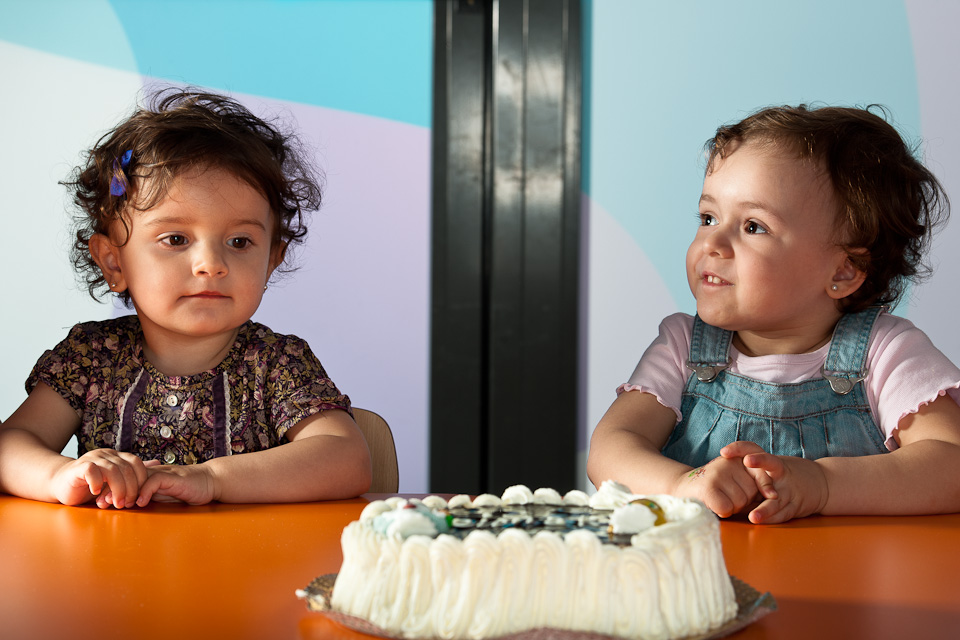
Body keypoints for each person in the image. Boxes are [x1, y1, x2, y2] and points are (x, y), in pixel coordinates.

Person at [587, 104, 960, 524]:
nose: (713, 243)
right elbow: (610, 449)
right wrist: (683, 485)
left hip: (846, 580)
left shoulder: (885, 353)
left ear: (844, 270)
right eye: (709, 217)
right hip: (708, 580)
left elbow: (950, 464)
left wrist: (824, 484)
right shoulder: (682, 347)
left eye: (753, 227)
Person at [0, 88, 372, 508]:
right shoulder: (91, 357)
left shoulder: (276, 363)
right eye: (176, 239)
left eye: (239, 240)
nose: (211, 264)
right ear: (114, 262)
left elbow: (348, 458)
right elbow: (11, 444)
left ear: (272, 259)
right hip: (113, 570)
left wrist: (212, 478)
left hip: (249, 568)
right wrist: (59, 475)